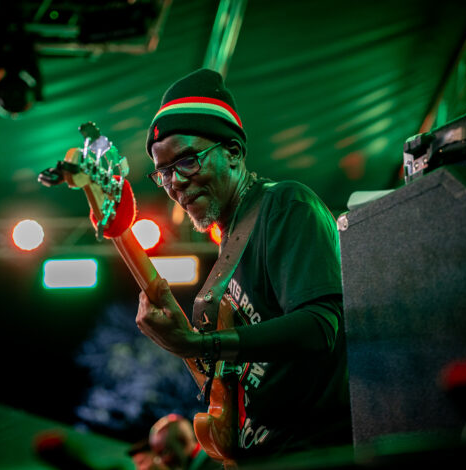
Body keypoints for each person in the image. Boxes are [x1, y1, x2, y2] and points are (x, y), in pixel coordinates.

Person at [135, 68, 352, 463]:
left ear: (233, 152)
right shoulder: (228, 245)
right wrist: (184, 338)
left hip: (311, 452)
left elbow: (321, 326)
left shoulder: (285, 205)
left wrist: (199, 343)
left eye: (187, 161)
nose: (174, 183)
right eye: (163, 172)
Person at [148, 414, 220, 470]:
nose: (162, 461)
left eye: (165, 452)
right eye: (158, 456)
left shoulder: (213, 462)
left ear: (182, 441)